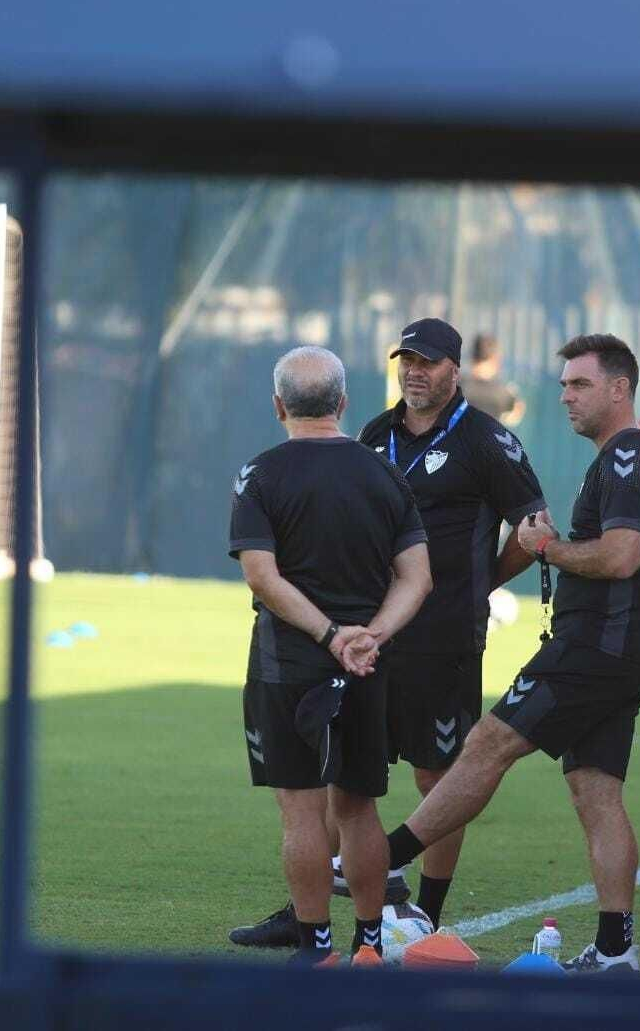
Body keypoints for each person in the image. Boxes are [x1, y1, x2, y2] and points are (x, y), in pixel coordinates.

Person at [230, 318, 548, 947]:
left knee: (437, 775)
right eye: (406, 361)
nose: (414, 372)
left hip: (440, 636)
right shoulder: (373, 436)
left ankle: (427, 911)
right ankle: (310, 915)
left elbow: (535, 529)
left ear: (455, 371)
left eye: (428, 363)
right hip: (366, 637)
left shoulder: (487, 441)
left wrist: (477, 584)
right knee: (337, 782)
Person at [381, 333, 640, 974]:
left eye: (580, 385)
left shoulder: (627, 458)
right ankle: (616, 948)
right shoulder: (619, 457)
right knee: (595, 793)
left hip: (595, 649)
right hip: (622, 652)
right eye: (565, 384)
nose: (566, 396)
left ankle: (383, 859)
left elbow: (621, 555)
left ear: (620, 388)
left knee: (488, 742)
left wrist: (549, 549)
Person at [228, 345, 433, 967]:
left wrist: (330, 636)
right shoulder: (385, 473)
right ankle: (369, 945)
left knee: (301, 810)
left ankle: (316, 948)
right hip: (368, 665)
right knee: (359, 807)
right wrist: (369, 635)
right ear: (344, 404)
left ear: (277, 405)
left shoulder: (261, 474)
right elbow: (417, 578)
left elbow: (262, 577)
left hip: (290, 663)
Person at [462, 332, 527, 427]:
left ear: (473, 357)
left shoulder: (456, 387)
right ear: (495, 358)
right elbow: (514, 417)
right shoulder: (503, 394)